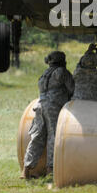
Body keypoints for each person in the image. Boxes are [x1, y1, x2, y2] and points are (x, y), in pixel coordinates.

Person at [22, 51, 74, 179]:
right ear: (62, 61)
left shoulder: (45, 74)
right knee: (54, 136)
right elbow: (72, 89)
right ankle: (50, 169)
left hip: (40, 106)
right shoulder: (62, 72)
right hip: (53, 107)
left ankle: (26, 169)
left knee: (37, 137)